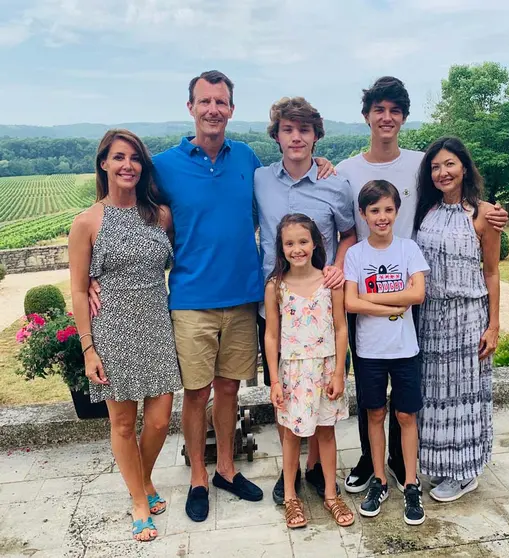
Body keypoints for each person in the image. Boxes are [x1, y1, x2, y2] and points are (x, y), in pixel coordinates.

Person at [87, 70, 335, 523]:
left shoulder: (246, 159)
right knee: (195, 394)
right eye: (205, 101)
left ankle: (224, 469)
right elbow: (125, 209)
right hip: (190, 301)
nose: (213, 110)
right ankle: (198, 477)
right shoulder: (162, 166)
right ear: (191, 108)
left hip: (242, 298)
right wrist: (91, 275)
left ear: (231, 110)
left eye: (221, 102)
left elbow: (287, 176)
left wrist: (323, 165)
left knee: (229, 391)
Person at [336, 76, 509, 495]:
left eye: (395, 110)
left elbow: (487, 262)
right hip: (395, 300)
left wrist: (487, 210)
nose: (387, 117)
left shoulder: (422, 167)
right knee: (382, 387)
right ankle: (375, 462)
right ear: (366, 116)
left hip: (434, 301)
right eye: (379, 109)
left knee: (434, 394)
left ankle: (421, 466)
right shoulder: (345, 170)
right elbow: (342, 225)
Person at [69, 129, 182, 542]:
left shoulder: (161, 216)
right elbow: (79, 289)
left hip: (156, 325)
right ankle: (139, 499)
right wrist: (88, 348)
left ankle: (144, 477)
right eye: (118, 157)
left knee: (157, 420)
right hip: (112, 331)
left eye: (134, 158)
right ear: (104, 163)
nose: (127, 165)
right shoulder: (86, 222)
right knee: (122, 423)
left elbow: (174, 262)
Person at [254, 97, 356, 505]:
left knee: (323, 397)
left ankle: (315, 469)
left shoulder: (336, 183)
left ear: (316, 135)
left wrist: (339, 267)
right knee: (287, 397)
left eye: (304, 130)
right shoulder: (260, 179)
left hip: (322, 309)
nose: (296, 137)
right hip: (279, 307)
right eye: (288, 130)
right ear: (277, 135)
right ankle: (291, 472)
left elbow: (348, 234)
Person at [413, 136, 500, 502]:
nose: (442, 172)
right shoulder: (426, 211)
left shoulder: (484, 214)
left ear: (464, 167)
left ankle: (465, 472)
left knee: (464, 393)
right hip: (430, 316)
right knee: (434, 393)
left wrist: (493, 325)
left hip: (467, 316)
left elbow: (492, 272)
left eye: (449, 164)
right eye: (435, 167)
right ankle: (443, 463)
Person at [344, 180, 430, 526]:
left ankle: (411, 482)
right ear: (363, 215)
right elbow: (351, 302)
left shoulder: (408, 250)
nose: (382, 217)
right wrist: (392, 306)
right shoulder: (356, 254)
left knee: (407, 416)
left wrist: (372, 300)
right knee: (375, 414)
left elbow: (418, 295)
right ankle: (378, 480)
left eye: (388, 210)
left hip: (404, 349)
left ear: (397, 211)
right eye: (374, 210)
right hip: (370, 351)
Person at [264, 214, 354, 529]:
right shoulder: (276, 286)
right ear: (281, 247)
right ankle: (291, 496)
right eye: (290, 243)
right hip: (292, 371)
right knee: (290, 435)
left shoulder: (331, 282)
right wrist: (274, 379)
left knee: (326, 431)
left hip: (326, 367)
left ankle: (331, 493)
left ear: (314, 242)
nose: (297, 249)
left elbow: (342, 329)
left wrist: (340, 372)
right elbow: (271, 335)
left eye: (303, 241)